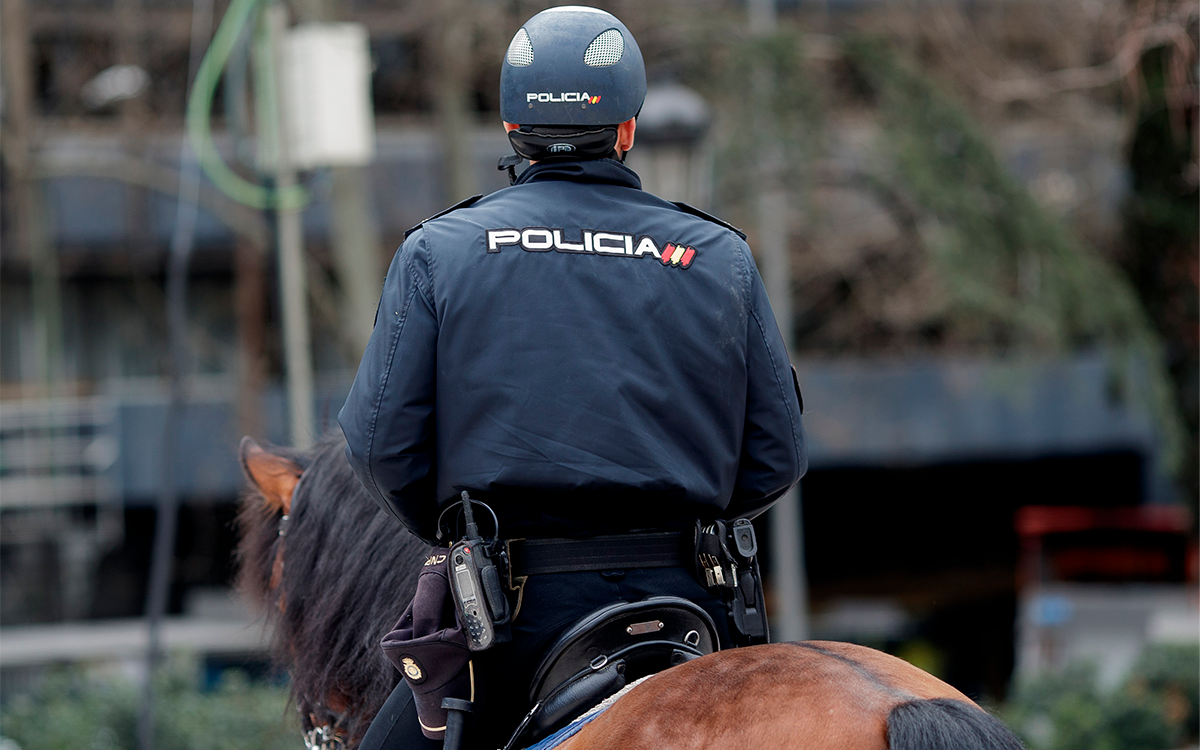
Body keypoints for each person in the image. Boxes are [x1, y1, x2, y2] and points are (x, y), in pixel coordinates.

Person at [339, 6, 805, 749]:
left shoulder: (438, 253)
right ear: (626, 130)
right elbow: (776, 456)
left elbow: (383, 449)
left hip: (513, 622)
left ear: (510, 131)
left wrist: (461, 530)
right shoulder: (720, 257)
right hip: (692, 606)